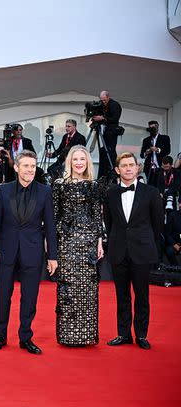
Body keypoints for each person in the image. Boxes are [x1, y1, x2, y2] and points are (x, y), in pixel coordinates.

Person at [0, 150, 57, 355]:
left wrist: (52, 255)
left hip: (33, 251)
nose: (30, 170)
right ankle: (0, 335)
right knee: (3, 296)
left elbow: (50, 226)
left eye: (33, 166)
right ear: (16, 167)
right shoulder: (4, 190)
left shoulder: (45, 191)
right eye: (26, 166)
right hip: (6, 250)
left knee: (30, 297)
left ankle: (25, 337)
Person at [104, 152, 164, 350]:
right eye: (124, 165)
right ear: (117, 170)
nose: (128, 168)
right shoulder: (111, 193)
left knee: (142, 295)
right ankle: (123, 334)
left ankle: (141, 335)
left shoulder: (151, 192)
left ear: (138, 167)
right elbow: (109, 222)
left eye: (132, 165)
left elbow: (157, 226)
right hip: (118, 250)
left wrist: (148, 244)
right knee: (122, 295)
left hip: (142, 251)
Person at [51, 146, 104, 346]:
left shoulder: (94, 185)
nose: (79, 162)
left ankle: (87, 335)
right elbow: (55, 214)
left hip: (89, 241)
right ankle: (67, 335)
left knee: (88, 289)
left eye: (83, 159)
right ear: (70, 162)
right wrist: (52, 242)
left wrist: (100, 241)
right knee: (68, 287)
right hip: (67, 242)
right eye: (76, 159)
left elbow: (97, 216)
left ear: (87, 162)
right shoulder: (59, 184)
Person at [90, 90, 122, 179]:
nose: (103, 102)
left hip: (111, 131)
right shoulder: (101, 104)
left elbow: (115, 119)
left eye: (104, 100)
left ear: (108, 97)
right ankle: (102, 173)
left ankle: (112, 172)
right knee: (103, 150)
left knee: (110, 151)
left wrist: (102, 118)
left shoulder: (115, 105)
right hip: (104, 131)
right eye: (101, 100)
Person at [140, 120, 171, 185]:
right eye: (150, 128)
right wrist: (146, 152)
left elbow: (168, 151)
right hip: (149, 168)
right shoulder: (146, 140)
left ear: (157, 127)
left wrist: (157, 150)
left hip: (160, 167)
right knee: (150, 186)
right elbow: (141, 155)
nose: (152, 130)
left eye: (153, 128)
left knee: (160, 185)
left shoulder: (165, 138)